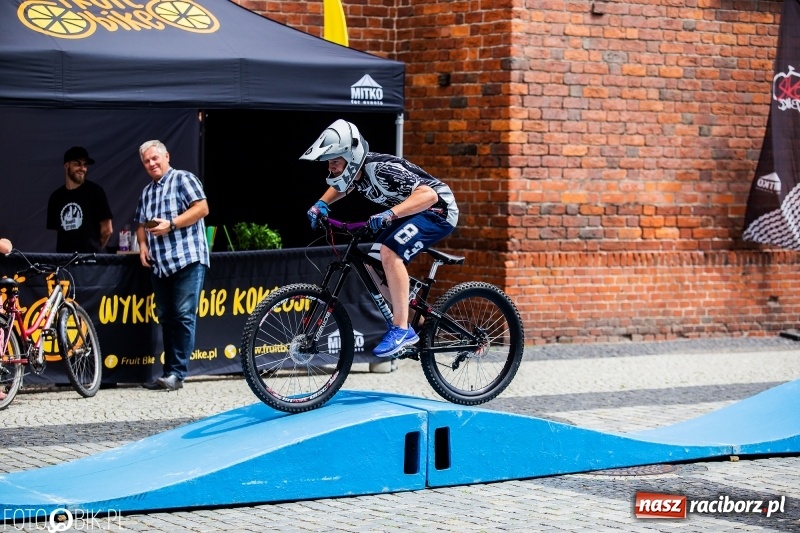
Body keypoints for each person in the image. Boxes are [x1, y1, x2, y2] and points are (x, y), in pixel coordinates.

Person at [301, 119, 459, 358]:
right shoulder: (357, 174)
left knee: (389, 252)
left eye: (334, 163)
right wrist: (321, 204)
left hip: (438, 212)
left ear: (351, 158)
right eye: (330, 164)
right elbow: (343, 187)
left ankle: (401, 329)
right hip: (411, 213)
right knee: (371, 262)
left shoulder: (381, 169)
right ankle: (421, 323)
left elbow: (429, 195)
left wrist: (390, 213)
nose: (330, 169)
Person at [134, 140, 209, 391]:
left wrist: (172, 224)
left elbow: (202, 208)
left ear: (166, 155)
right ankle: (168, 374)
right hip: (160, 264)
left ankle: (177, 373)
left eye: (155, 158)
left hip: (187, 258)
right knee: (166, 317)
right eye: (147, 161)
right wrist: (142, 246)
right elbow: (141, 223)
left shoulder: (182, 179)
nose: (152, 163)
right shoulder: (147, 192)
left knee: (183, 314)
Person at [46, 146, 113, 253]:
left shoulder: (95, 192)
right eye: (77, 164)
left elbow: (107, 230)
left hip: (89, 262)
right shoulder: (56, 197)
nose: (82, 168)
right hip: (64, 261)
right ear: (66, 165)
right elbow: (60, 231)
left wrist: (95, 250)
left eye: (85, 164)